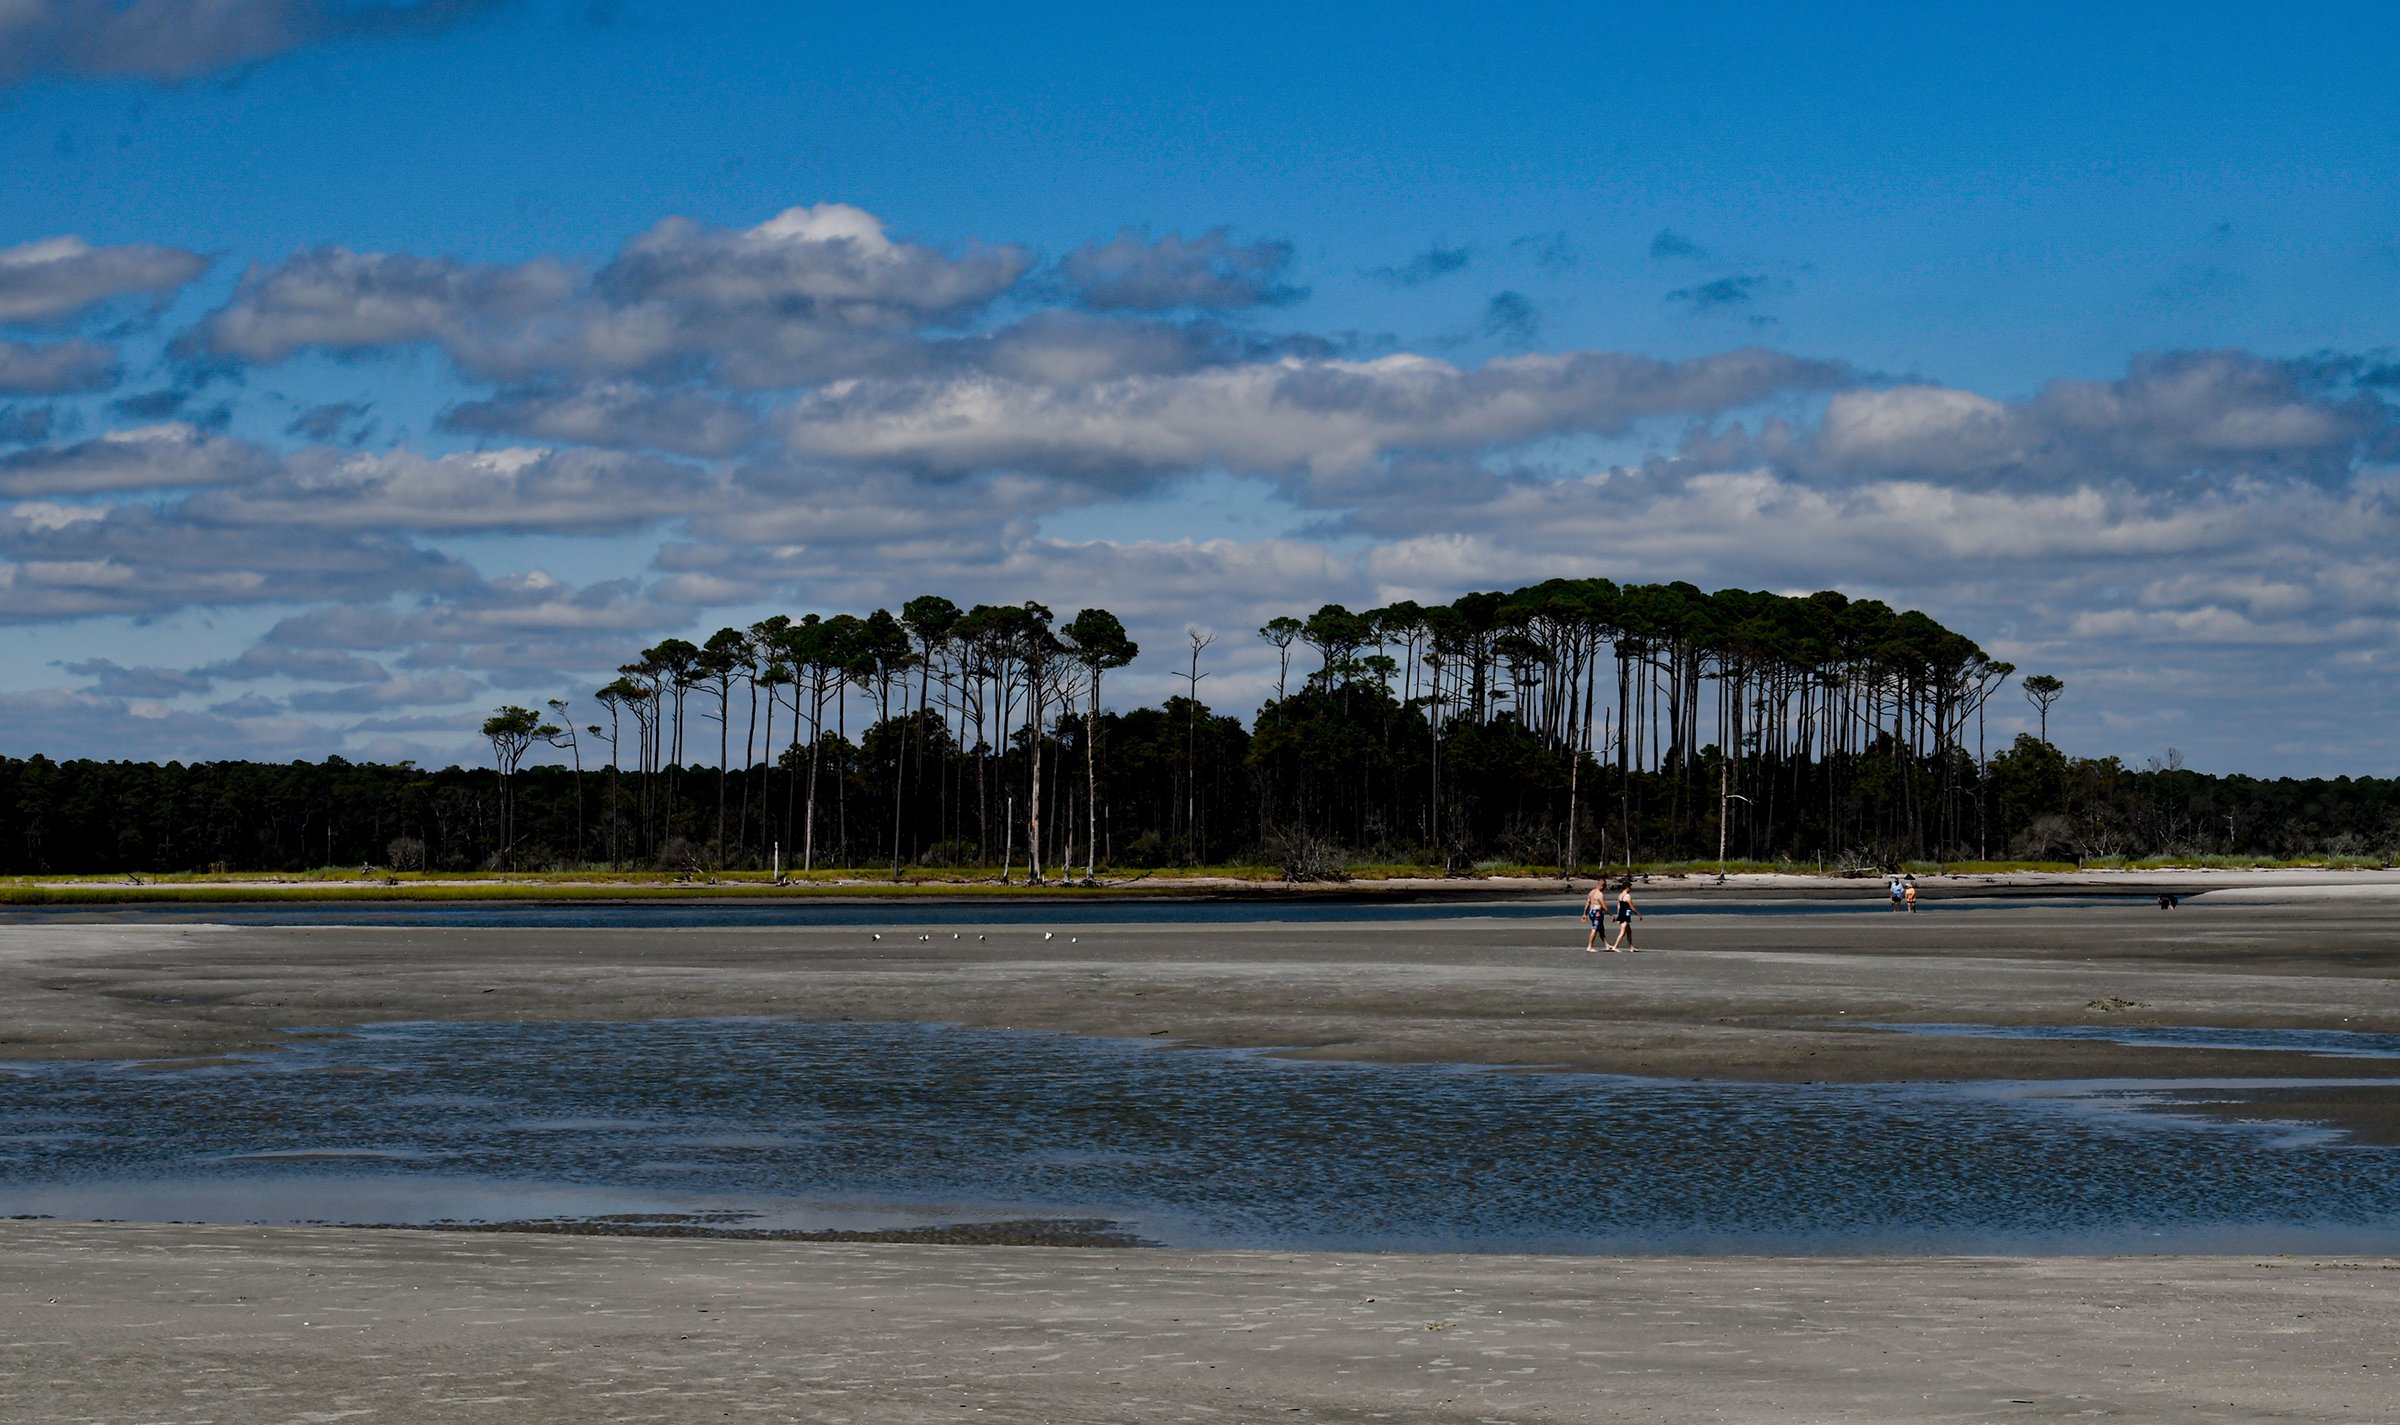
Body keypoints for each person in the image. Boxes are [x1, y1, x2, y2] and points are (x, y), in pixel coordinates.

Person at [1608, 881, 1642, 952]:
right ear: (1627, 887)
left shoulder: (1620, 895)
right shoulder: (1627, 896)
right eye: (1630, 887)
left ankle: (1631, 947)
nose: (1630, 889)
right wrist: (1638, 914)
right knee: (1623, 932)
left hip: (1623, 914)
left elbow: (1618, 906)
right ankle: (1615, 946)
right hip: (1625, 915)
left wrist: (1618, 915)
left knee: (1629, 931)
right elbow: (1631, 906)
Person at [1582, 881, 1611, 952]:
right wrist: (1610, 914)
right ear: (1602, 886)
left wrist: (1585, 913)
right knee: (1595, 929)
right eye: (1604, 887)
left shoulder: (1592, 892)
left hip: (1591, 912)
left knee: (1601, 929)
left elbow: (1588, 903)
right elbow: (1603, 905)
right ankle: (1589, 946)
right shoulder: (1600, 894)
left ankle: (1606, 945)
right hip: (1597, 912)